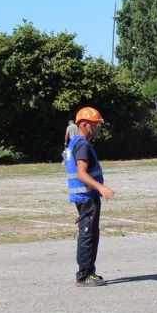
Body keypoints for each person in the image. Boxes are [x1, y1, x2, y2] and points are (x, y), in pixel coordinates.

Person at [64, 107, 115, 287]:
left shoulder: (77, 142)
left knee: (91, 233)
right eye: (96, 125)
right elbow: (82, 174)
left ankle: (89, 272)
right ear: (84, 125)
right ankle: (84, 275)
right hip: (87, 197)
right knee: (88, 235)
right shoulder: (82, 145)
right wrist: (101, 187)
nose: (98, 129)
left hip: (86, 196)